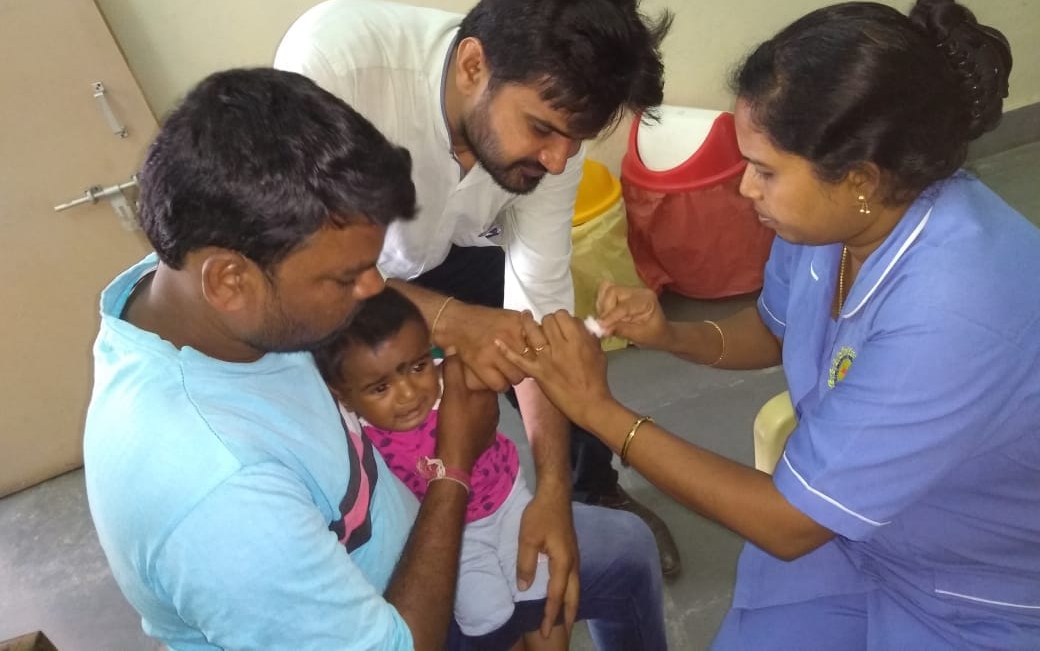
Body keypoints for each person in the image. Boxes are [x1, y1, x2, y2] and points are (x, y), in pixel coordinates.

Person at [497, 0, 1040, 649]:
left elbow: (789, 522)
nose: (744, 188)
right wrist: (672, 334)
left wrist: (599, 410)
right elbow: (776, 328)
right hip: (853, 536)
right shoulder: (832, 222)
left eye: (764, 171)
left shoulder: (955, 308)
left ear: (860, 178)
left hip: (973, 585)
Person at [84, 67, 666, 651]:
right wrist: (453, 464)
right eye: (345, 277)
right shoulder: (219, 495)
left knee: (625, 552)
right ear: (230, 282)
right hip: (398, 621)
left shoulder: (185, 289)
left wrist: (453, 338)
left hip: (415, 534)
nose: (374, 291)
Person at [272, 0, 682, 578]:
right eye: (543, 129)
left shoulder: (554, 148)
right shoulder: (337, 65)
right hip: (336, 265)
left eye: (575, 140)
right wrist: (450, 320)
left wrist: (550, 494)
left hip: (451, 246)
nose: (557, 160)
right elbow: (300, 267)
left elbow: (537, 304)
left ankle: (587, 491)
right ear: (472, 65)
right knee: (363, 410)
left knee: (557, 347)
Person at [314, 287, 567, 650]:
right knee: (488, 621)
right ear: (343, 395)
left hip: (511, 505)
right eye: (381, 387)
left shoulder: (454, 380)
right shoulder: (357, 433)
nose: (408, 393)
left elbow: (527, 365)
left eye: (417, 367)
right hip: (454, 535)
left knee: (542, 596)